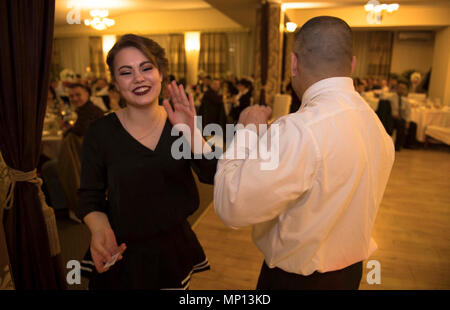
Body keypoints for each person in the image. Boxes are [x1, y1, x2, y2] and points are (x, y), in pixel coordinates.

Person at [214, 16, 395, 290]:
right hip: (348, 276)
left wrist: (248, 130)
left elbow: (231, 205)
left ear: (293, 63)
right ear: (353, 64)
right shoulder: (375, 124)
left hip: (298, 283)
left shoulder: (300, 129)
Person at [75, 34, 217, 289]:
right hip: (122, 250)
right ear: (116, 83)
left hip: (173, 249)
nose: (139, 78)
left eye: (146, 68)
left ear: (161, 72)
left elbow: (214, 175)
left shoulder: (180, 123)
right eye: (126, 72)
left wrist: (191, 133)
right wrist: (99, 230)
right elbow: (89, 196)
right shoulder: (100, 132)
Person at [385, 81, 412, 151]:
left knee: (408, 124)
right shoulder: (390, 98)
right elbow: (387, 109)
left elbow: (408, 112)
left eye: (404, 89)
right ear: (397, 88)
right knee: (399, 123)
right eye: (400, 88)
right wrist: (393, 114)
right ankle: (388, 144)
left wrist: (407, 122)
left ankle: (400, 145)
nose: (402, 90)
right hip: (391, 118)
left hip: (400, 118)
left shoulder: (406, 101)